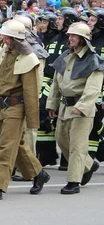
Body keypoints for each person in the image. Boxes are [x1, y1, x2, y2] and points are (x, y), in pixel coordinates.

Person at [0, 20, 50, 201]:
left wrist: (32, 121)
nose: (3, 38)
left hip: (16, 108)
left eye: (7, 36)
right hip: (1, 107)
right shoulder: (0, 53)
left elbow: (31, 91)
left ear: (16, 38)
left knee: (5, 147)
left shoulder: (28, 59)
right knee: (16, 145)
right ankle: (39, 173)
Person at [46, 23, 102, 194]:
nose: (70, 38)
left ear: (83, 39)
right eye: (69, 35)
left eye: (74, 36)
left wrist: (82, 106)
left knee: (77, 146)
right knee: (62, 140)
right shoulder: (65, 56)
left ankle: (74, 181)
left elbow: (93, 89)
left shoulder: (94, 61)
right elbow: (56, 84)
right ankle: (88, 164)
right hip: (64, 107)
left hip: (81, 110)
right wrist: (51, 104)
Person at [37, 8, 79, 168]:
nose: (57, 21)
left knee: (65, 124)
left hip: (65, 86)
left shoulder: (69, 42)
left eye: (60, 18)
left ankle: (68, 159)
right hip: (50, 84)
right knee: (45, 119)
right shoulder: (55, 40)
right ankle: (48, 155)